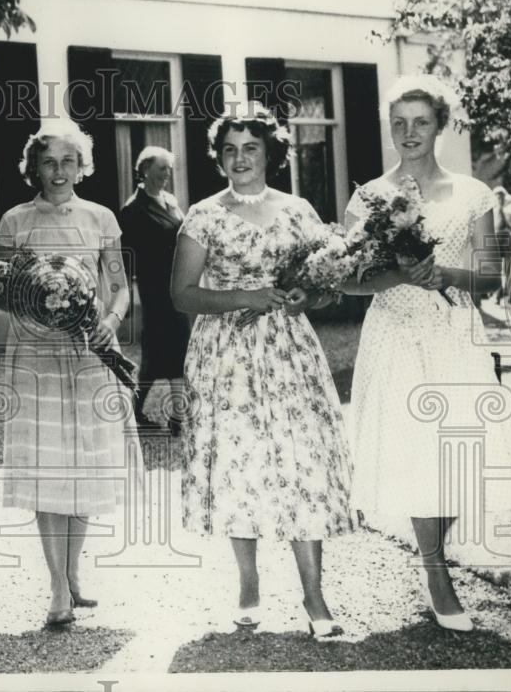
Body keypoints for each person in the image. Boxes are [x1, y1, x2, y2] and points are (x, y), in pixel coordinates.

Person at [170, 103, 353, 639]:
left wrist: (306, 295)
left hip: (288, 350)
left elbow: (328, 282)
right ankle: (248, 585)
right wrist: (243, 295)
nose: (239, 158)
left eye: (250, 147)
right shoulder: (202, 215)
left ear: (270, 152)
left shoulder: (298, 210)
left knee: (301, 463)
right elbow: (181, 294)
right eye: (229, 149)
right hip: (224, 355)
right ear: (218, 157)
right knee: (238, 463)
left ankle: (315, 598)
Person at [342, 75, 505, 632]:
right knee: (415, 453)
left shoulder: (471, 194)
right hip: (396, 333)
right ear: (389, 129)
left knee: (460, 458)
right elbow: (350, 283)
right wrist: (394, 272)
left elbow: (492, 277)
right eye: (399, 124)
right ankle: (437, 575)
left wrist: (442, 272)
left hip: (454, 332)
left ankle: (437, 553)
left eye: (421, 122)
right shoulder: (367, 200)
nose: (409, 134)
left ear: (440, 126)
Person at [0, 119, 140, 628]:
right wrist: (38, 307)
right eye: (49, 162)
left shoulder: (101, 218)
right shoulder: (14, 220)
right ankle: (56, 586)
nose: (59, 172)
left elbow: (121, 288)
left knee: (84, 465)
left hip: (91, 350)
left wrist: (109, 320)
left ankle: (74, 575)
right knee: (47, 466)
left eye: (68, 161)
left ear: (83, 166)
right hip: (36, 355)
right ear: (34, 167)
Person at [118, 147, 191, 434]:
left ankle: (143, 412)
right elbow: (125, 256)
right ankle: (175, 416)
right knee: (166, 347)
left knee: (163, 350)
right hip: (154, 287)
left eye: (169, 170)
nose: (166, 175)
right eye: (162, 169)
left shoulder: (171, 202)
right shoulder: (132, 210)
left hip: (177, 283)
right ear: (145, 170)